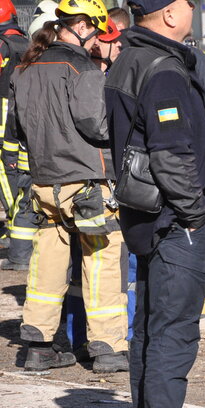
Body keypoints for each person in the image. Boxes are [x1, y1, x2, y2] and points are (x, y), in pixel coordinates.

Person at [104, 0, 205, 408]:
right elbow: (170, 153)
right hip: (174, 223)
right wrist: (196, 216)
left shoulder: (128, 60)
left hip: (146, 218)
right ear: (172, 14)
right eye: (190, 5)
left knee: (151, 333)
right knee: (173, 335)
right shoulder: (163, 69)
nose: (194, 12)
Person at [7, 0, 130, 373]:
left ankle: (38, 345)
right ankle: (108, 347)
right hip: (87, 183)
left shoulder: (25, 68)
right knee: (103, 259)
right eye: (95, 30)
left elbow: (19, 128)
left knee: (47, 263)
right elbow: (97, 125)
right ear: (80, 26)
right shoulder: (82, 68)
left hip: (44, 183)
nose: (98, 39)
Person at [0, 0, 31, 269]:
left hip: (3, 123)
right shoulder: (24, 43)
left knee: (5, 174)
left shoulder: (2, 45)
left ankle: (13, 222)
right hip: (21, 117)